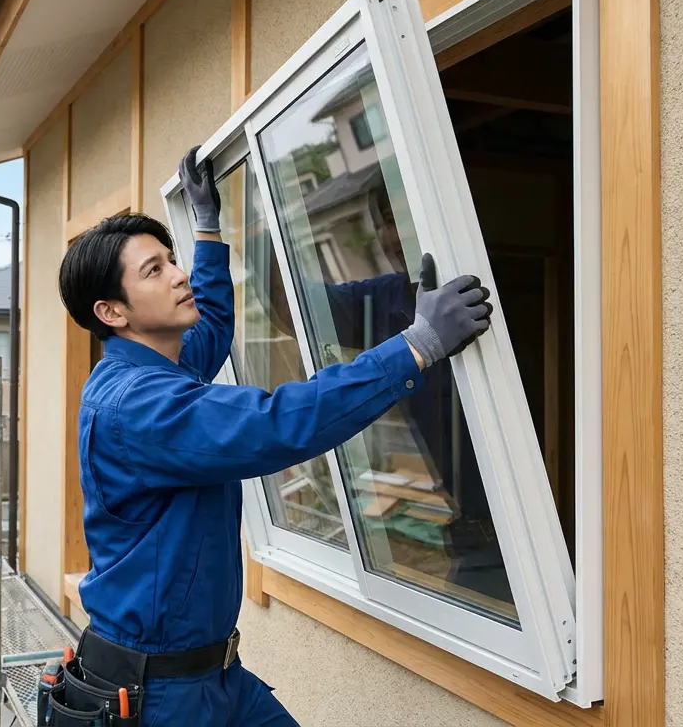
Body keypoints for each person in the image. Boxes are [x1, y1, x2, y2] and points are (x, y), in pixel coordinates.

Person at [55, 146, 495, 726]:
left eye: (171, 258)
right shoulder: (136, 405)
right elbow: (275, 425)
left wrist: (208, 229)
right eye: (155, 270)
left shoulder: (157, 368)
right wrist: (416, 347)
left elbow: (209, 324)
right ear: (112, 312)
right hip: (158, 693)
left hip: (212, 674)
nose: (178, 273)